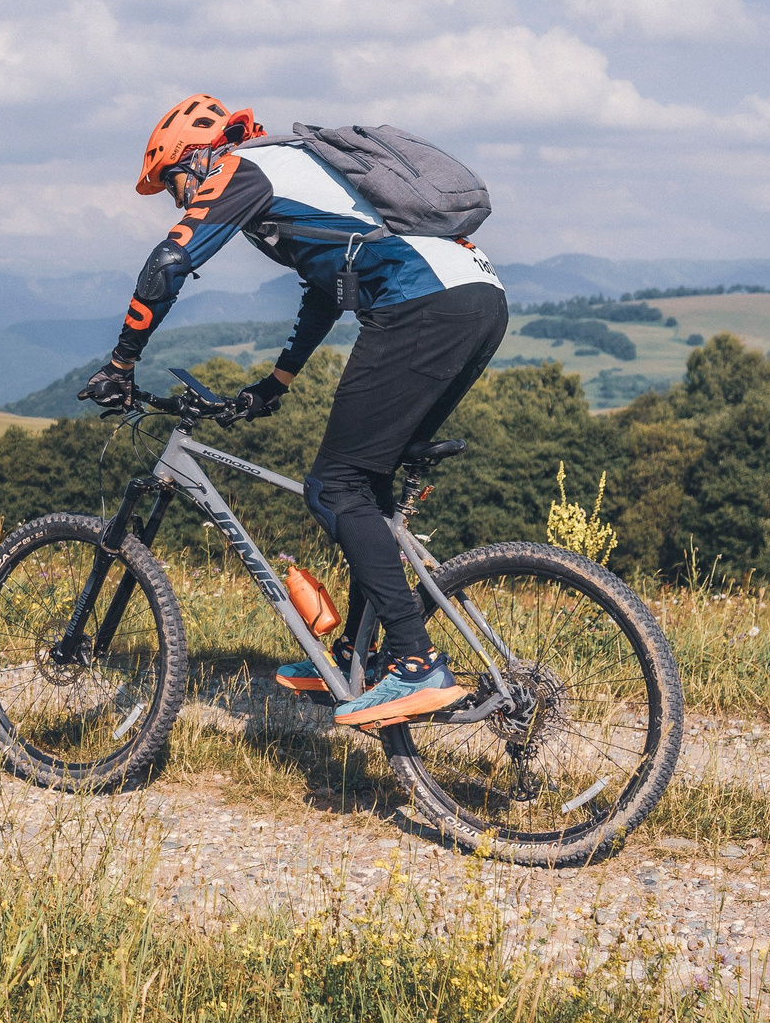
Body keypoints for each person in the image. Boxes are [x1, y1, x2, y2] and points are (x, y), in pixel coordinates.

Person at [79, 94, 509, 729]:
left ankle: (417, 663)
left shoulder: (243, 171)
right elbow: (325, 291)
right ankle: (357, 658)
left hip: (423, 304)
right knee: (366, 485)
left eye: (174, 185)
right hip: (477, 298)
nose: (181, 202)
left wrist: (122, 362)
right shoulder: (295, 173)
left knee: (334, 486)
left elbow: (170, 262)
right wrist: (275, 383)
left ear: (195, 160)